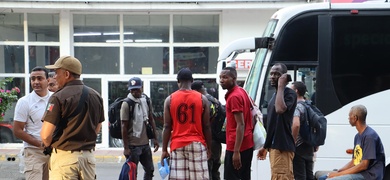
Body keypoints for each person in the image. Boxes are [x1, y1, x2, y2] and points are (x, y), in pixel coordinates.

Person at [40, 55, 105, 180]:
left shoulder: (58, 97)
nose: (54, 77)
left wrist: (51, 145)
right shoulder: (96, 95)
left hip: (65, 159)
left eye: (56, 73)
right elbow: (97, 127)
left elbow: (45, 136)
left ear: (67, 74)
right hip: (88, 159)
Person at [160, 68, 212, 179]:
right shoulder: (202, 99)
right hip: (197, 144)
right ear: (192, 81)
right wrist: (209, 147)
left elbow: (167, 126)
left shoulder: (169, 100)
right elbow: (206, 126)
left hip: (177, 145)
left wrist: (164, 149)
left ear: (178, 81)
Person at [317, 105, 385, 180]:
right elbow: (354, 161)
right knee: (322, 178)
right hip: (361, 173)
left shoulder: (369, 137)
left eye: (350, 115)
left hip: (369, 175)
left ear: (355, 118)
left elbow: (364, 165)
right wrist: (339, 171)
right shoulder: (357, 136)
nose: (348, 118)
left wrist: (338, 175)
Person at [257, 63, 297, 180]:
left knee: (281, 177)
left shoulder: (289, 94)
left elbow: (280, 109)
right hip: (274, 147)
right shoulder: (275, 95)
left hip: (282, 147)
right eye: (272, 74)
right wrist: (266, 146)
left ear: (284, 77)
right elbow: (273, 125)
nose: (273, 76)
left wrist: (281, 86)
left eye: (277, 74)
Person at [13, 66, 52, 180]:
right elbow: (17, 130)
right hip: (33, 151)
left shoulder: (55, 99)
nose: (36, 82)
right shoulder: (24, 102)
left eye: (39, 78)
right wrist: (39, 144)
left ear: (48, 80)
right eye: (33, 79)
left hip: (54, 151)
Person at [121, 77, 159, 180]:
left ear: (141, 88)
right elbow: (124, 127)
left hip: (145, 144)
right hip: (133, 146)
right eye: (132, 90)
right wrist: (126, 148)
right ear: (129, 90)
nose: (135, 92)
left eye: (137, 89)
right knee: (133, 173)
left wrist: (155, 138)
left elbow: (151, 119)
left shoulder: (145, 100)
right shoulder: (126, 104)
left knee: (150, 170)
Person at [219, 66, 254, 180]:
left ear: (233, 79)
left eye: (225, 77)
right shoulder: (242, 91)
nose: (221, 80)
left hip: (237, 145)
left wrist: (236, 151)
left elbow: (241, 124)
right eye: (220, 77)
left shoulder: (234, 97)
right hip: (247, 142)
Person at [192, 80, 223, 180]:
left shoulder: (204, 101)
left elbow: (205, 124)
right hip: (217, 141)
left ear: (196, 90)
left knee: (207, 171)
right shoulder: (214, 100)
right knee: (215, 170)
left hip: (209, 140)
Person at [291, 81, 315, 180]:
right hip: (309, 145)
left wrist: (292, 141)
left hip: (299, 146)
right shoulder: (310, 105)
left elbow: (296, 125)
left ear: (296, 91)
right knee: (309, 175)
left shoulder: (297, 106)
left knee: (299, 176)